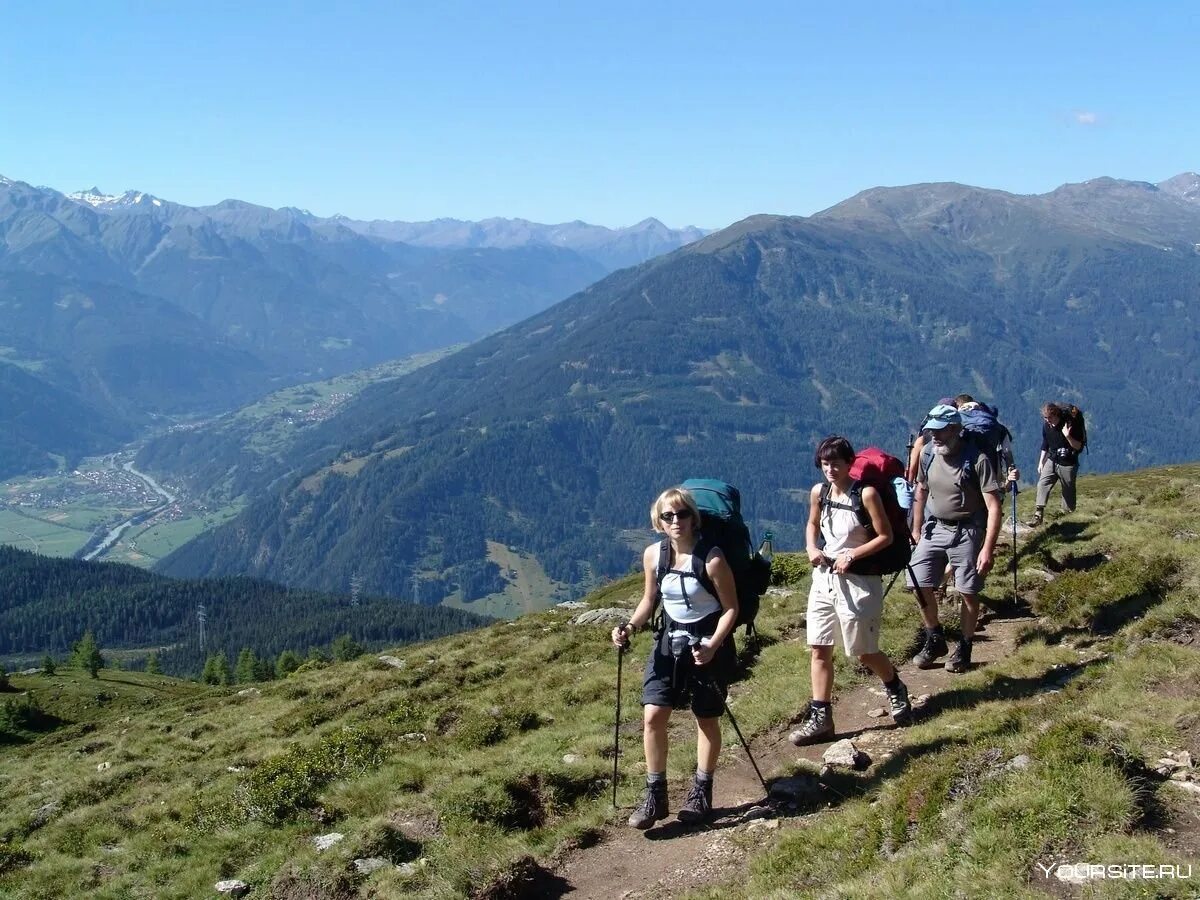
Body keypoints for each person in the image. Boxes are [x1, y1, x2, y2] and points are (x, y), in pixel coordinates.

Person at [611, 487, 739, 829]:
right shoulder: (654, 555)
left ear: (694, 518)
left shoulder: (712, 559)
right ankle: (655, 795)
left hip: (707, 643)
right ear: (658, 521)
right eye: (668, 516)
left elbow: (731, 609)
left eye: (682, 514)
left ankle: (702, 791)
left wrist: (713, 644)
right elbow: (649, 600)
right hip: (669, 641)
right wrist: (630, 626)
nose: (676, 521)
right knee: (653, 714)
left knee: (706, 717)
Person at [789, 436, 912, 746]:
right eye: (825, 463)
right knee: (819, 647)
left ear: (849, 463)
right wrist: (810, 548)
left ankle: (895, 686)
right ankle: (821, 718)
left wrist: (852, 555)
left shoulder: (867, 494)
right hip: (824, 577)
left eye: (836, 463)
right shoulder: (819, 492)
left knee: (863, 651)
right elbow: (812, 524)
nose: (830, 469)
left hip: (859, 580)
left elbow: (884, 536)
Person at [908, 404, 1004, 674]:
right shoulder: (928, 453)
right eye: (931, 431)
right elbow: (921, 491)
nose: (934, 436)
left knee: (968, 591)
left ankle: (964, 644)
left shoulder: (977, 459)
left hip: (969, 530)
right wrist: (916, 529)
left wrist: (987, 549)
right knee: (918, 583)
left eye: (939, 432)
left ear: (954, 429)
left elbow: (994, 507)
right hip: (934, 527)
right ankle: (935, 637)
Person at [1027, 402, 1084, 527]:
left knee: (1068, 489)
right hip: (1052, 459)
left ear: (1056, 415)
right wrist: (1041, 462)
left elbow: (1078, 446)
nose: (1048, 421)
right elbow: (1045, 443)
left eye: (1050, 418)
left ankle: (1067, 516)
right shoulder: (1047, 426)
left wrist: (1068, 436)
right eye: (1045, 418)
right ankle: (1038, 514)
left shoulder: (1070, 425)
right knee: (1042, 483)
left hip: (1068, 462)